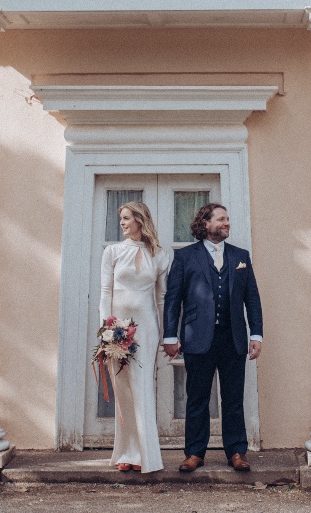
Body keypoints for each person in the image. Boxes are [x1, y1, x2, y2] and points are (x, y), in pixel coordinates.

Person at [162, 203, 263, 472]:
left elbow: (252, 298)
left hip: (234, 338)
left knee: (233, 398)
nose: (227, 223)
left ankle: (237, 452)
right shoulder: (185, 257)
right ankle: (194, 453)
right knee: (197, 398)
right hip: (198, 337)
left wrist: (256, 334)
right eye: (221, 219)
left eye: (228, 219)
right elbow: (173, 299)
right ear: (205, 224)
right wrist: (170, 336)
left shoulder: (240, 256)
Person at [99, 201, 171, 473]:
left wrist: (165, 334)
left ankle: (145, 454)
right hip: (117, 327)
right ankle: (126, 452)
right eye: (121, 218)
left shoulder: (160, 255)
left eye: (127, 218)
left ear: (140, 220)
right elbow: (105, 292)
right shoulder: (112, 252)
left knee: (141, 387)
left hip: (146, 328)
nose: (122, 223)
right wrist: (106, 329)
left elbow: (161, 298)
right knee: (123, 391)